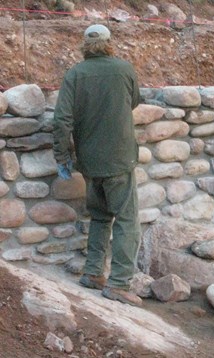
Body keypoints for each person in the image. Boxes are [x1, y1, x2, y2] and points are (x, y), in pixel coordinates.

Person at [52, 24, 142, 306]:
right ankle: (118, 283)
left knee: (100, 217)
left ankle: (92, 273)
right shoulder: (124, 69)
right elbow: (134, 101)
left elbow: (61, 120)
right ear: (109, 43)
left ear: (84, 45)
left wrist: (62, 156)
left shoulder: (75, 74)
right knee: (127, 220)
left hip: (89, 162)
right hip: (119, 159)